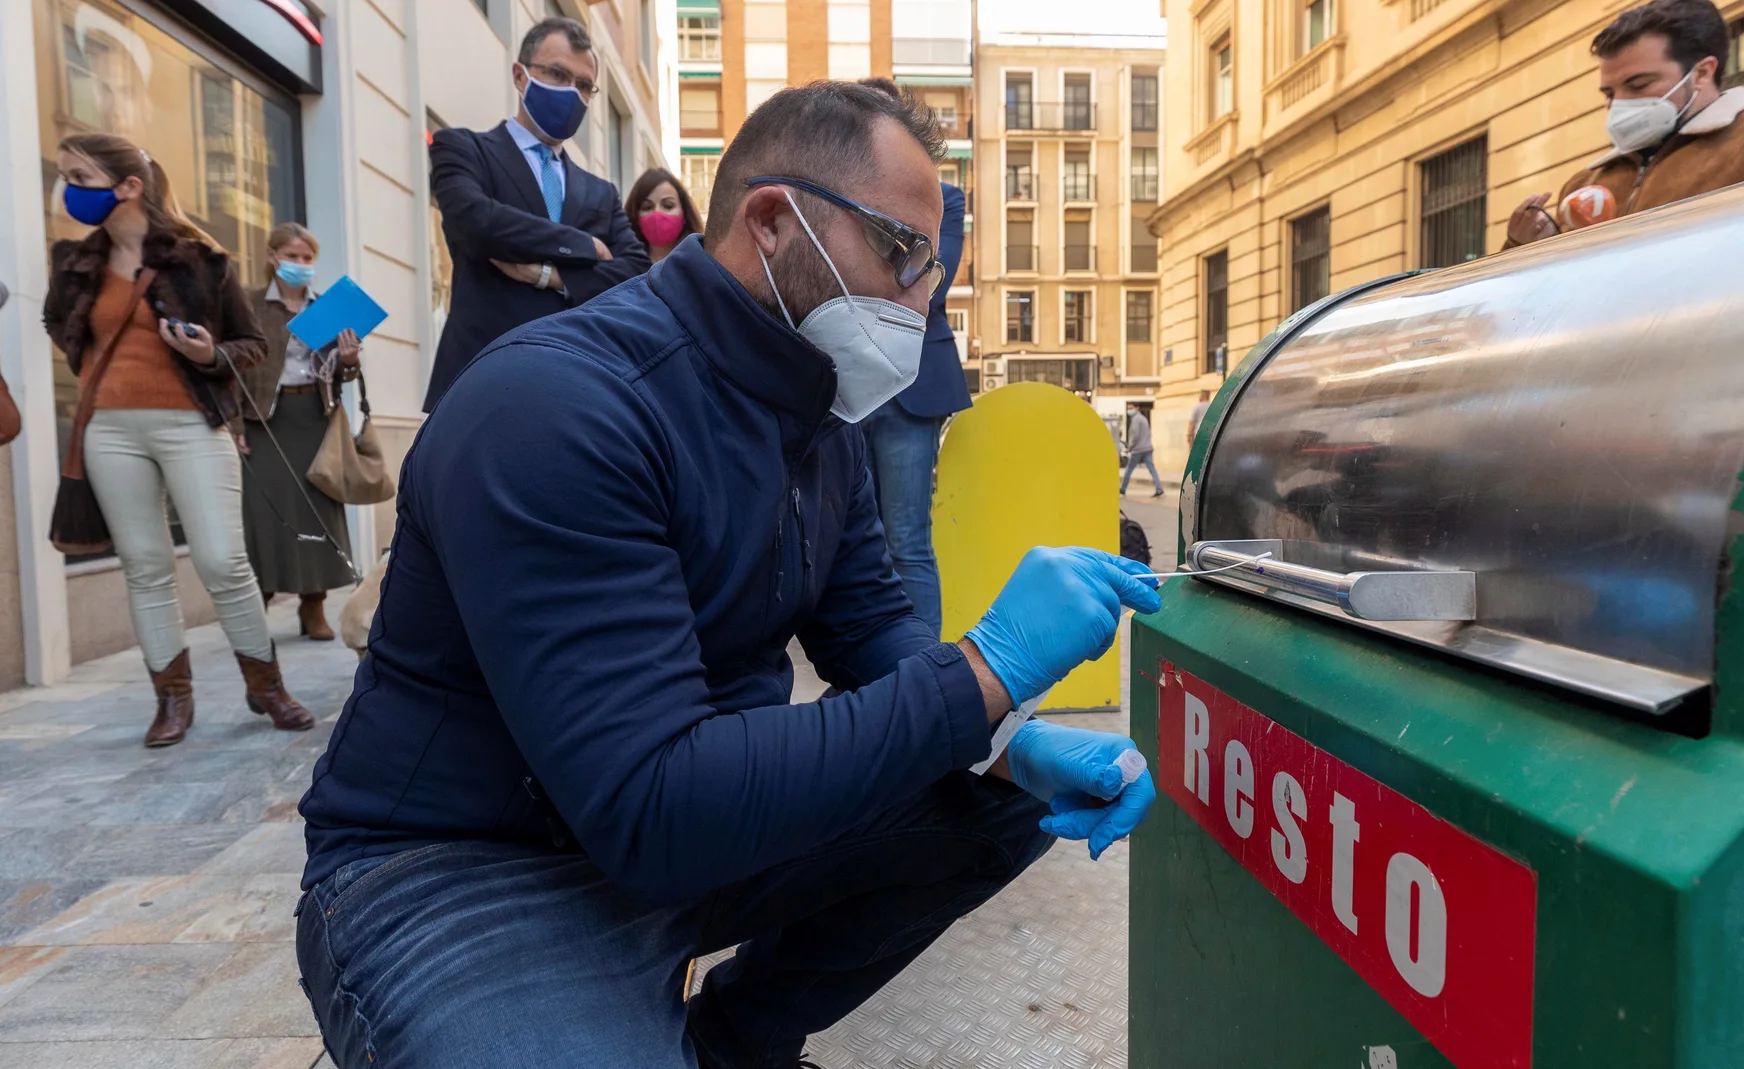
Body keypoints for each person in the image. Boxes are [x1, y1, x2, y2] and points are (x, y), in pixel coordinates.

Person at [296, 82, 1161, 1069]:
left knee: (997, 790)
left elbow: (867, 626)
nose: (924, 306)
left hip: (683, 826)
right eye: (904, 256)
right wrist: (983, 670)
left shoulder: (815, 417)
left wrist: (1006, 732)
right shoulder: (556, 407)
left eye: (938, 273)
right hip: (463, 868)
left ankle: (739, 1045)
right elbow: (654, 806)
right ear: (771, 220)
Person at [42, 133, 313, 748]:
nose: (68, 190)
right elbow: (57, 322)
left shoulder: (200, 259)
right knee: (145, 566)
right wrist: (89, 365)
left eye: (79, 178)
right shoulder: (72, 261)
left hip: (191, 422)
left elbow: (252, 344)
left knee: (223, 559)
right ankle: (172, 699)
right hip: (109, 429)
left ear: (129, 187)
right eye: (65, 177)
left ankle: (265, 684)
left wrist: (206, 352)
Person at [423, 17, 650, 411]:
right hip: (482, 385)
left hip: (577, 387)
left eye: (584, 85)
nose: (573, 94)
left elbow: (634, 270)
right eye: (559, 75)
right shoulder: (462, 149)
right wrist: (582, 245)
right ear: (520, 75)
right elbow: (475, 223)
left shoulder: (600, 191)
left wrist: (551, 275)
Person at [1505, 0, 1744, 250]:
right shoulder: (1587, 181)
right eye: (1609, 92)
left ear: (1701, 73)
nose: (1619, 103)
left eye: (1638, 85)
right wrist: (1532, 247)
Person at [854, 76, 969, 636]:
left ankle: (925, 674)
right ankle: (872, 680)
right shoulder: (838, 195)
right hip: (844, 381)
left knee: (905, 539)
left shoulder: (943, 198)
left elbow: (927, 284)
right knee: (856, 542)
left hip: (909, 386)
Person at [238, 223, 359, 642]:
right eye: (292, 256)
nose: (301, 265)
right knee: (263, 514)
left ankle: (314, 607)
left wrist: (349, 359)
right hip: (264, 420)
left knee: (317, 512)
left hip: (314, 415)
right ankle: (258, 608)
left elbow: (344, 375)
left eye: (307, 258)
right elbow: (232, 368)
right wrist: (233, 424)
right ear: (273, 257)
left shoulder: (326, 307)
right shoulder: (249, 305)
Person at [625, 167, 704, 263]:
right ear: (635, 216)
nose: (657, 213)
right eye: (647, 207)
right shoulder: (623, 267)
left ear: (684, 212)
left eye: (668, 206)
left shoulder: (702, 262)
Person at [1120, 402, 1162, 497]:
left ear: (1137, 408)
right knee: (1152, 469)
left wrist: (1130, 447)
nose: (1129, 410)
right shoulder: (1143, 419)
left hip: (1138, 450)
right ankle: (1159, 488)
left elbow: (1135, 435)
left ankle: (1122, 489)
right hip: (1147, 448)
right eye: (1128, 408)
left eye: (1131, 408)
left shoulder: (1136, 420)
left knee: (1129, 469)